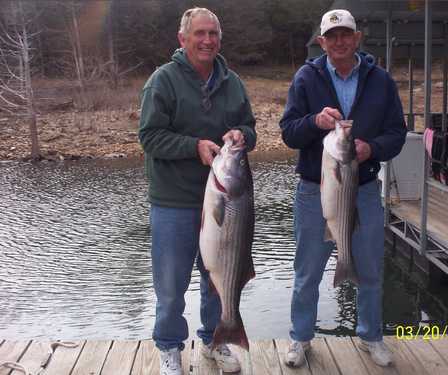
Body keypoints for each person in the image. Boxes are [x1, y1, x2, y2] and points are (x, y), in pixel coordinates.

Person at [279, 9, 407, 368]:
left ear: (357, 37)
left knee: (370, 270)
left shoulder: (380, 79)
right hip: (313, 192)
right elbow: (289, 131)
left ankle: (371, 336)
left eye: (345, 34)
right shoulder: (306, 77)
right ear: (321, 41)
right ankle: (300, 339)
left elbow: (397, 132)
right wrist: (314, 121)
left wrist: (372, 149)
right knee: (307, 272)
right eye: (331, 36)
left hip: (364, 189)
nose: (339, 41)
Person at [138, 7, 256, 375]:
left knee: (216, 281)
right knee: (171, 287)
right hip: (173, 202)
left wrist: (241, 136)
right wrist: (194, 146)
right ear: (183, 39)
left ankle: (214, 340)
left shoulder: (232, 82)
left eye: (214, 34)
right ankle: (170, 349)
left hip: (226, 203)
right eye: (200, 33)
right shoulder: (163, 81)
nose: (208, 41)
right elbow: (150, 136)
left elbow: (249, 129)